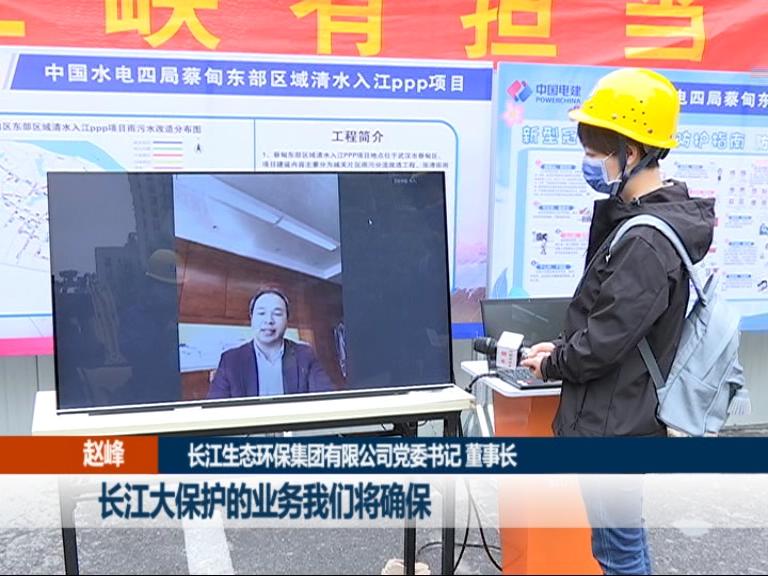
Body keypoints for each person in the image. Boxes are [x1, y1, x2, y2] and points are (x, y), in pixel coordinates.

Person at [520, 68, 715, 575]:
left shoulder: (646, 240)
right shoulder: (647, 224)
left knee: (617, 551)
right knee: (624, 542)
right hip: (624, 413)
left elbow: (604, 342)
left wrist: (556, 363)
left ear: (631, 152)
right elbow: (615, 324)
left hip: (613, 423)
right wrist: (561, 349)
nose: (589, 162)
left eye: (595, 150)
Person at [207, 288, 334, 398]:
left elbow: (326, 399)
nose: (269, 320)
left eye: (277, 314)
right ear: (252, 318)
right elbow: (214, 410)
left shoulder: (305, 355)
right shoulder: (231, 360)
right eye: (261, 313)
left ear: (287, 320)